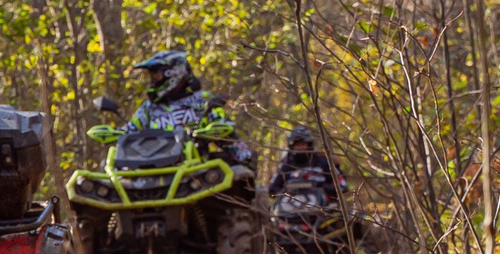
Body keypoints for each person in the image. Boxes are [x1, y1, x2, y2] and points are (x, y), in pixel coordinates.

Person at [122, 49, 254, 169]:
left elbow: (228, 135)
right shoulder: (148, 108)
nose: (153, 81)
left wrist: (244, 157)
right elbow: (129, 131)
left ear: (173, 75)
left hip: (193, 171)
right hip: (149, 171)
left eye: (156, 76)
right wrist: (115, 134)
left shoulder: (203, 101)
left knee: (238, 172)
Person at [267, 126, 347, 203]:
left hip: (322, 210)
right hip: (290, 210)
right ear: (292, 146)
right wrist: (286, 191)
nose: (300, 148)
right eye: (297, 145)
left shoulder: (322, 161)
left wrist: (320, 187)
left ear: (308, 144)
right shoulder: (287, 164)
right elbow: (272, 189)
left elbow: (342, 185)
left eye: (302, 144)